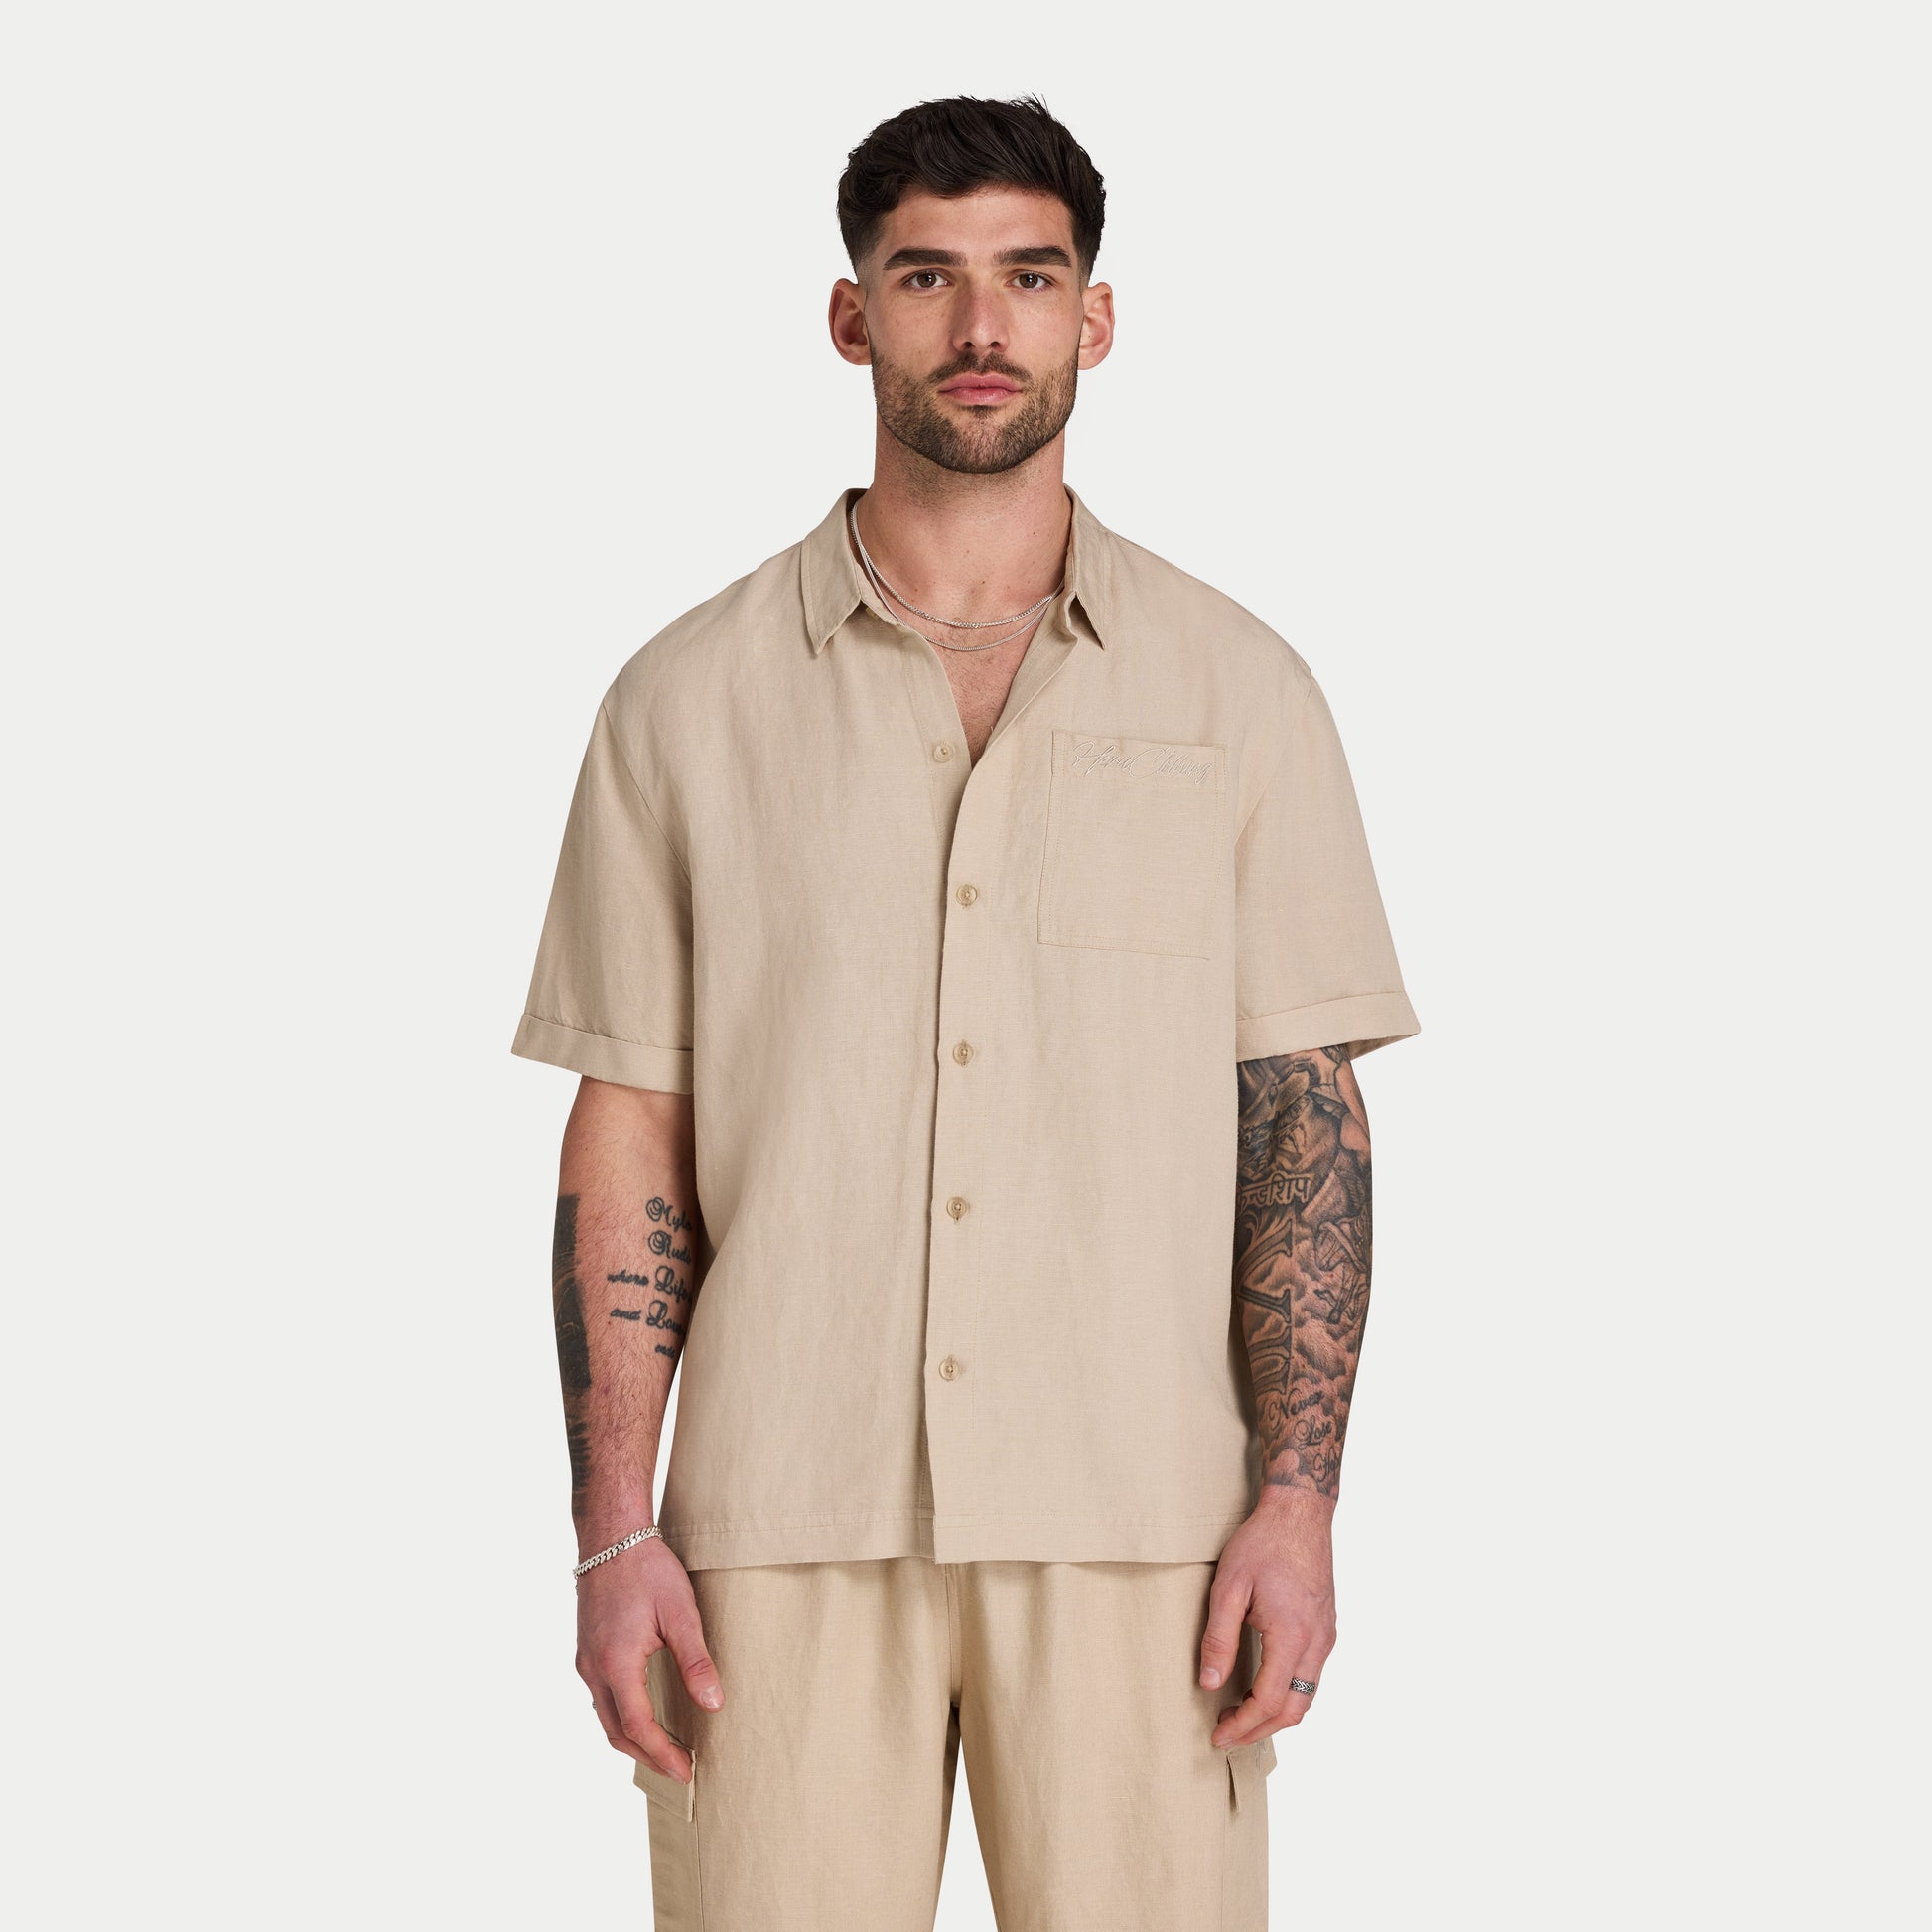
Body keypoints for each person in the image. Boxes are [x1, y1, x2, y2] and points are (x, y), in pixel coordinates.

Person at [511, 93, 1419, 1932]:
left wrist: (1298, 1501)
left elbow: (1299, 1121)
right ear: (852, 318)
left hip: (1144, 1528)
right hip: (778, 1521)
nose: (982, 324)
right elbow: (630, 1126)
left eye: (1030, 275)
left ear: (1098, 316)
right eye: (927, 277)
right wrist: (615, 1525)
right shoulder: (682, 702)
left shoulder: (1239, 691)